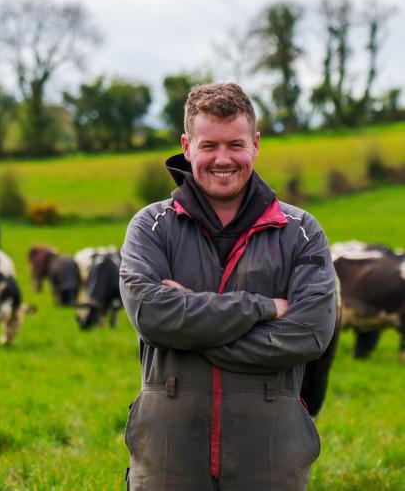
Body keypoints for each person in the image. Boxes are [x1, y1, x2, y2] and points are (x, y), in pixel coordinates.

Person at [120, 83, 337, 491]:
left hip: (272, 455)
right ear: (187, 146)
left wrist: (191, 331)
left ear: (255, 144)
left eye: (235, 144)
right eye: (209, 145)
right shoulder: (151, 227)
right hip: (168, 453)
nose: (223, 159)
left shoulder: (301, 232)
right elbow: (152, 315)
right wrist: (262, 308)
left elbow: (309, 334)